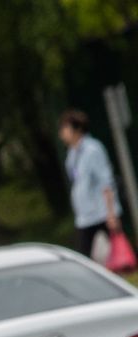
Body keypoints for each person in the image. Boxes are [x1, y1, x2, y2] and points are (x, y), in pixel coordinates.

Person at [61, 108, 123, 259]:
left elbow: (106, 181)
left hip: (101, 212)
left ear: (77, 129)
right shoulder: (72, 153)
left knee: (119, 251)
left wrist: (111, 213)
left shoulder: (92, 149)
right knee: (84, 256)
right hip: (85, 215)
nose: (62, 132)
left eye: (65, 128)